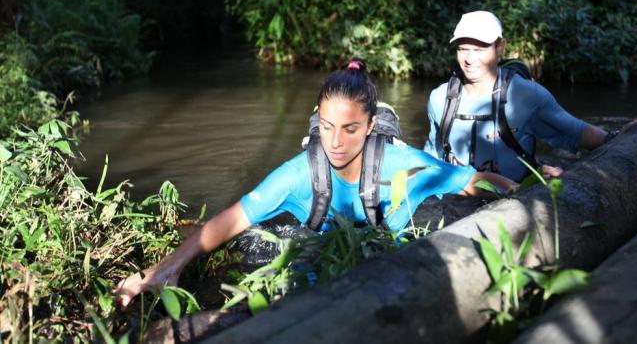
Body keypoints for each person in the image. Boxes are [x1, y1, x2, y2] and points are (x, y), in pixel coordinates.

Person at [115, 59, 517, 308]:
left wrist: (525, 192)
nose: (336, 143)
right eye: (326, 128)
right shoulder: (299, 173)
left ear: (371, 127)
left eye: (349, 129)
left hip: (389, 244)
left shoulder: (401, 163)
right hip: (320, 244)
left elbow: (471, 181)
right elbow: (230, 218)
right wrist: (168, 266)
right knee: (254, 246)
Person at [424, 10, 637, 182]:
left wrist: (615, 137)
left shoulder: (526, 96)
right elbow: (432, 157)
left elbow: (575, 131)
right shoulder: (440, 98)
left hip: (511, 201)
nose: (469, 59)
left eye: (480, 49)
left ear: (500, 47)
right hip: (457, 202)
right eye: (463, 49)